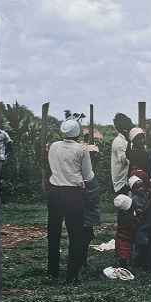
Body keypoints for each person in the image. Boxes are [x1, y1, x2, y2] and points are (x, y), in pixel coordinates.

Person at [45, 119, 94, 283]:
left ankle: (52, 271)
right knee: (76, 235)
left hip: (54, 192)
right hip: (73, 194)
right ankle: (72, 275)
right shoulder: (81, 149)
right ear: (77, 132)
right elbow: (88, 176)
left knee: (53, 233)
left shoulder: (53, 146)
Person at [111, 113, 133, 193]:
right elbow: (125, 161)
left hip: (125, 182)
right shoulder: (119, 142)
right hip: (122, 184)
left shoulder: (124, 140)